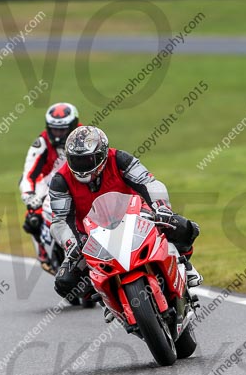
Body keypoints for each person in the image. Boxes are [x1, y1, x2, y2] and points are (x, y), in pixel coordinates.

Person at [49, 126, 202, 320]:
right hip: (91, 235)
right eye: (76, 160)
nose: (81, 166)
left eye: (88, 159)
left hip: (136, 217)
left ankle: (184, 264)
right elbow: (60, 220)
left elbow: (149, 182)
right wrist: (71, 243)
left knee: (183, 226)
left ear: (102, 154)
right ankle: (105, 298)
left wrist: (161, 207)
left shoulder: (120, 159)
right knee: (65, 282)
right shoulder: (60, 180)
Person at [19, 102, 80, 271]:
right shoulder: (41, 143)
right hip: (47, 184)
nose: (58, 135)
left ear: (73, 125)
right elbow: (28, 175)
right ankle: (44, 254)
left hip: (80, 179)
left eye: (62, 130)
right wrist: (30, 198)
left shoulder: (85, 135)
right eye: (54, 129)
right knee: (32, 219)